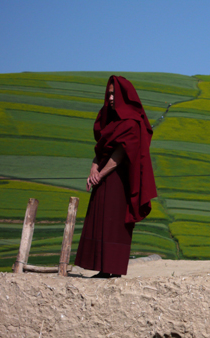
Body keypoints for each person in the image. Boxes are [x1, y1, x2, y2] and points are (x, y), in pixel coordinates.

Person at [75, 76, 157, 278]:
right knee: (101, 217)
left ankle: (114, 269)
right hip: (103, 174)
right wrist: (93, 169)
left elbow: (119, 153)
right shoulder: (107, 117)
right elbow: (101, 149)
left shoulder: (131, 121)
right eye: (109, 93)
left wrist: (100, 174)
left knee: (115, 221)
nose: (111, 98)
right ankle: (103, 268)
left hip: (119, 178)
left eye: (114, 94)